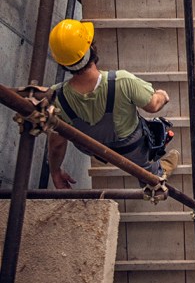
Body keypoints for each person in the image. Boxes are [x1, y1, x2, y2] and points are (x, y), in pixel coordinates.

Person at [46, 19, 179, 189]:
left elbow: (57, 144)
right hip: (131, 149)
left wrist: (55, 172)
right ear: (91, 49)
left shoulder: (56, 97)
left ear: (62, 62)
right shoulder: (123, 81)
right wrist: (162, 95)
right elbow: (152, 106)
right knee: (146, 166)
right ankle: (156, 176)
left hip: (95, 150)